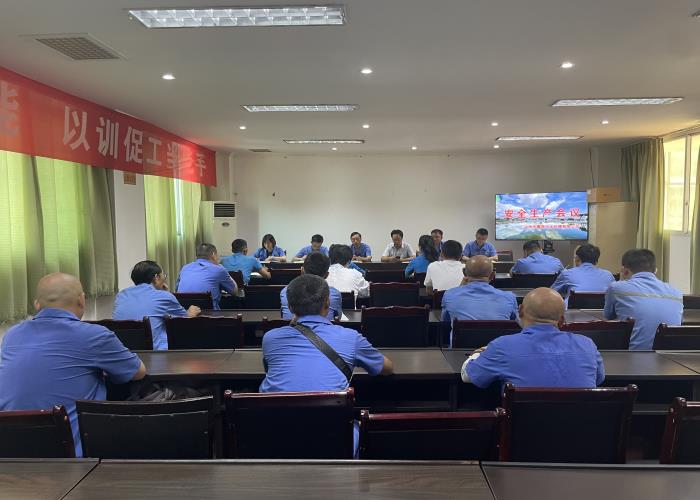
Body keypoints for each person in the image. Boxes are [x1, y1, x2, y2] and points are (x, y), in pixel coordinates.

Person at [0, 273, 146, 457]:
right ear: (81, 300)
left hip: (10, 453)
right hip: (71, 458)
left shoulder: (12, 335)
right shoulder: (94, 335)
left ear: (37, 304)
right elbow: (138, 372)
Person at [261, 274, 394, 456]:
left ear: (290, 306)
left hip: (274, 438)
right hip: (331, 441)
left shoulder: (270, 338)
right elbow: (387, 368)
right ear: (328, 302)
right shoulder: (350, 337)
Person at [462, 287, 604, 389]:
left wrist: (476, 355)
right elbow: (599, 378)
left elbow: (468, 376)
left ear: (520, 311)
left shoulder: (502, 346)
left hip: (521, 423)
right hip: (582, 423)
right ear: (561, 321)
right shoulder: (587, 345)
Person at [604, 249, 683, 350]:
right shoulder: (676, 292)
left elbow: (608, 316)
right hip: (670, 357)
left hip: (632, 355)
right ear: (655, 271)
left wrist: (622, 281)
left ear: (624, 270)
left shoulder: (616, 288)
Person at [113, 260, 201, 350]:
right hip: (155, 353)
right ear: (156, 278)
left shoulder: (121, 295)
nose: (164, 279)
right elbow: (186, 318)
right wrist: (191, 311)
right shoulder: (164, 296)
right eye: (163, 276)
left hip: (125, 352)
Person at [441, 256, 519, 347]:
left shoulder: (449, 295)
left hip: (459, 353)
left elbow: (445, 321)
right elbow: (515, 324)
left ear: (464, 273)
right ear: (492, 275)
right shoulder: (509, 297)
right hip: (497, 351)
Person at [281, 252, 343, 320]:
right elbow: (338, 317)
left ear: (302, 270)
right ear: (326, 275)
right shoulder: (335, 294)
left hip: (291, 326)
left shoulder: (286, 291)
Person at [176, 243, 237, 310]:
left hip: (185, 313)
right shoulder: (219, 269)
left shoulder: (185, 268)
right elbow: (234, 292)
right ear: (213, 255)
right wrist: (223, 269)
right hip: (210, 314)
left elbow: (177, 290)